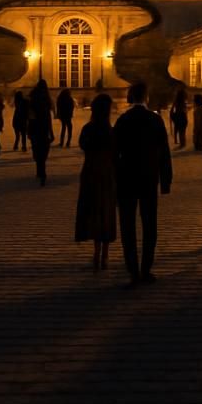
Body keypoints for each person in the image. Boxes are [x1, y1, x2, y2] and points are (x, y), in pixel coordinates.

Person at [112, 81, 173, 286]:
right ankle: (146, 269)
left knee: (127, 226)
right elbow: (164, 152)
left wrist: (114, 180)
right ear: (146, 97)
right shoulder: (154, 119)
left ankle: (133, 270)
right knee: (149, 225)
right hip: (148, 177)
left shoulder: (123, 120)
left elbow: (114, 153)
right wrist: (166, 180)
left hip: (126, 177)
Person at [75, 92, 119, 270]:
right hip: (106, 173)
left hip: (90, 171)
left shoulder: (88, 129)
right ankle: (105, 255)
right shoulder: (110, 131)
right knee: (106, 211)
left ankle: (96, 252)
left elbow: (83, 145)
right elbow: (116, 154)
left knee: (93, 210)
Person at [28, 79, 56, 186]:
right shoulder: (46, 99)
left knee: (37, 150)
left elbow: (30, 116)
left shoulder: (33, 99)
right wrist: (51, 132)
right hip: (43, 128)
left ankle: (40, 170)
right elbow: (47, 118)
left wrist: (29, 130)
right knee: (43, 151)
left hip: (36, 128)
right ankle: (41, 170)